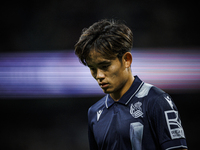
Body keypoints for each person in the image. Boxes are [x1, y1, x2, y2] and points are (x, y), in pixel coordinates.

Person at [74, 19, 187, 150]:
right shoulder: (94, 113)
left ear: (127, 60)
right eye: (92, 68)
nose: (99, 75)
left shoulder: (157, 101)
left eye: (105, 66)